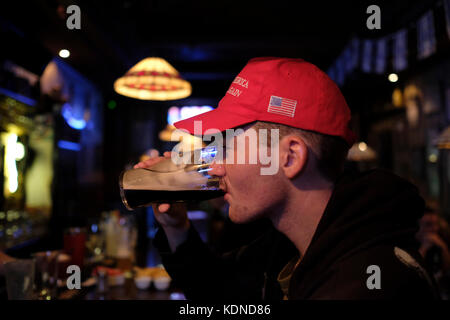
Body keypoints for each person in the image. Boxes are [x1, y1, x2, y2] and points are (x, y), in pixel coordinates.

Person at [135, 57, 439, 300]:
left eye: (227, 147)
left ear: (290, 156)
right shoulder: (288, 248)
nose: (216, 166)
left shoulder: (372, 283)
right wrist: (176, 227)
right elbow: (221, 293)